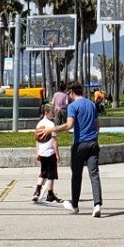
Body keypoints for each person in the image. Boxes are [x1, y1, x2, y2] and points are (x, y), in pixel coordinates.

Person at [61, 84, 104, 216]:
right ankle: (97, 205)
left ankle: (75, 205)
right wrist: (94, 138)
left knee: (76, 175)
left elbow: (69, 125)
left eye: (69, 93)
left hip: (79, 145)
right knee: (94, 174)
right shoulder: (91, 104)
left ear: (72, 92)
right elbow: (97, 125)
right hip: (93, 143)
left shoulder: (73, 106)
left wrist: (52, 129)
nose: (68, 96)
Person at [33, 106, 60, 203]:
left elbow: (37, 140)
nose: (53, 114)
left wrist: (37, 152)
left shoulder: (39, 124)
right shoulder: (50, 124)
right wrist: (57, 154)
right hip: (50, 152)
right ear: (46, 112)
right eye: (52, 112)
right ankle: (50, 193)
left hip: (42, 152)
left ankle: (37, 191)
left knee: (43, 172)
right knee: (51, 174)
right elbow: (53, 140)